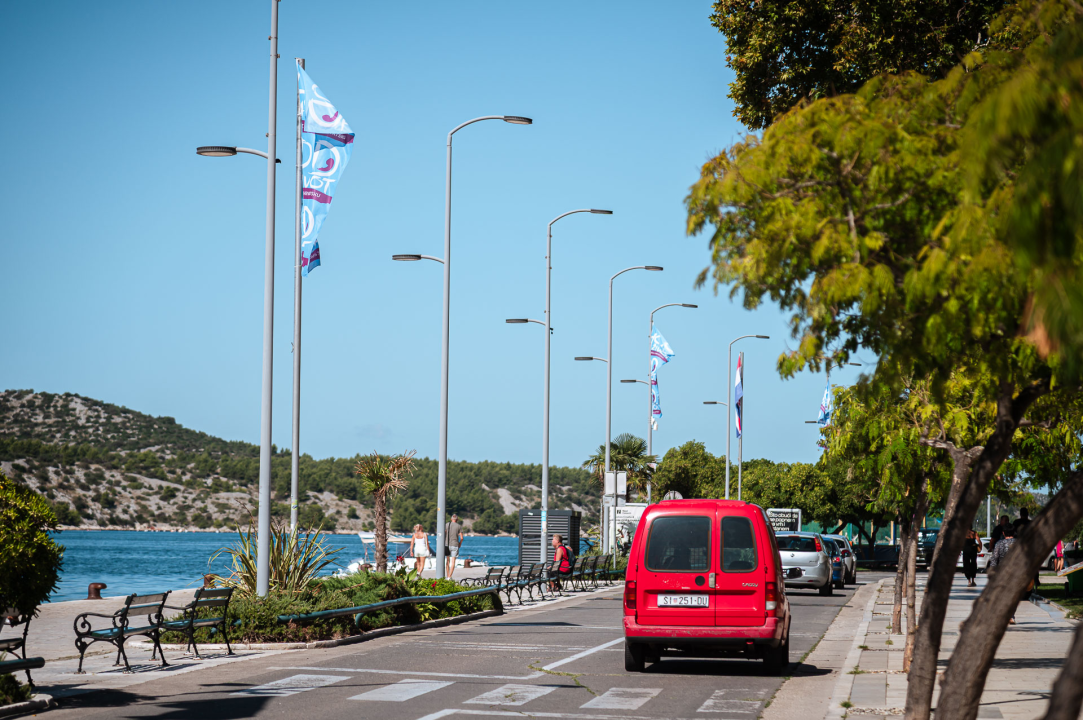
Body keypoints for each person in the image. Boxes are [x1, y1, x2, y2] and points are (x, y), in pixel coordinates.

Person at [988, 525, 1017, 623]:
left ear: (1003, 533)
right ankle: (1011, 616)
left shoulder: (999, 544)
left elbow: (994, 558)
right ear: (1014, 532)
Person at [445, 514, 464, 579]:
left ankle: (447, 575)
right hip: (455, 545)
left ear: (451, 519)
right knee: (453, 561)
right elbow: (461, 538)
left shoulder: (447, 525)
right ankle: (449, 577)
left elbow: (444, 533)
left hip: (447, 545)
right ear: (457, 519)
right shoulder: (459, 526)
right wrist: (459, 544)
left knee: (447, 561)